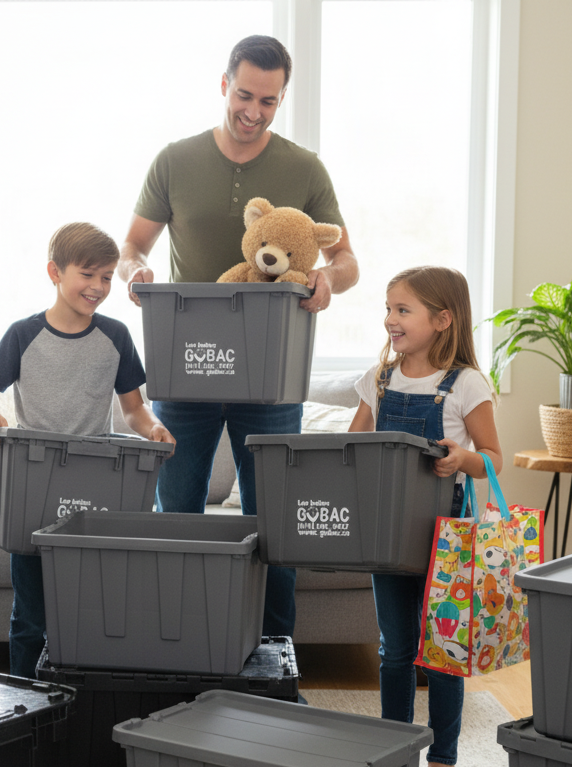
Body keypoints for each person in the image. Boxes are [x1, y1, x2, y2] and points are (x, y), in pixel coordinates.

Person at [117, 34, 359, 639]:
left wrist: (328, 279)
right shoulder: (174, 160)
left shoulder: (304, 169)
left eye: (268, 101)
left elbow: (347, 258)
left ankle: (274, 653)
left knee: (273, 522)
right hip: (187, 369)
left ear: (282, 99)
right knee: (176, 515)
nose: (254, 111)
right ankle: (173, 644)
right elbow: (132, 246)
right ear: (224, 84)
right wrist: (134, 271)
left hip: (271, 377)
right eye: (245, 95)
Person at [0, 222, 176, 679]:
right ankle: (25, 700)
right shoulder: (22, 334)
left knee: (95, 614)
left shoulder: (116, 336)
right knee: (31, 617)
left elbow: (134, 409)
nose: (98, 286)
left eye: (107, 277)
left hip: (95, 491)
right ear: (55, 273)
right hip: (33, 491)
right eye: (88, 274)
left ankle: (84, 701)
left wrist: (155, 428)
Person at [347, 265, 501, 767]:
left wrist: (463, 458)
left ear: (442, 319)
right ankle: (394, 748)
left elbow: (493, 458)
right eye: (388, 309)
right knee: (394, 648)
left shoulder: (466, 383)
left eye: (402, 309)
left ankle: (443, 760)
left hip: (447, 533)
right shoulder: (379, 379)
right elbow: (351, 448)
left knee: (443, 651)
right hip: (386, 532)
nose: (390, 319)